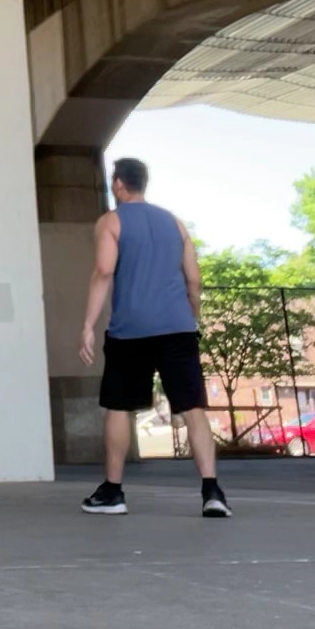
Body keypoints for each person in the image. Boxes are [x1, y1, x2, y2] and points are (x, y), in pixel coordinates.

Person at [77, 157, 229, 519]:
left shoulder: (111, 221)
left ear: (117, 185)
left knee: (118, 407)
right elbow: (194, 279)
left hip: (131, 330)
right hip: (178, 328)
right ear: (143, 183)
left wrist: (87, 324)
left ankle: (113, 492)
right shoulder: (174, 223)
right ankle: (212, 492)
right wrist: (191, 314)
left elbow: (103, 271)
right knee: (193, 408)